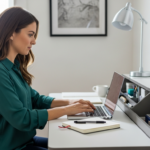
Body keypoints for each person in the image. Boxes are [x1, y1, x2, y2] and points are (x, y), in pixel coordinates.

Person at [0, 7, 96, 150]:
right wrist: (67, 110)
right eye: (30, 34)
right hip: (12, 147)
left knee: (76, 145)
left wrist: (72, 102)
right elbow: (22, 118)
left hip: (25, 141)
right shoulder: (1, 72)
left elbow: (35, 99)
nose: (34, 41)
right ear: (12, 33)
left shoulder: (14, 67)